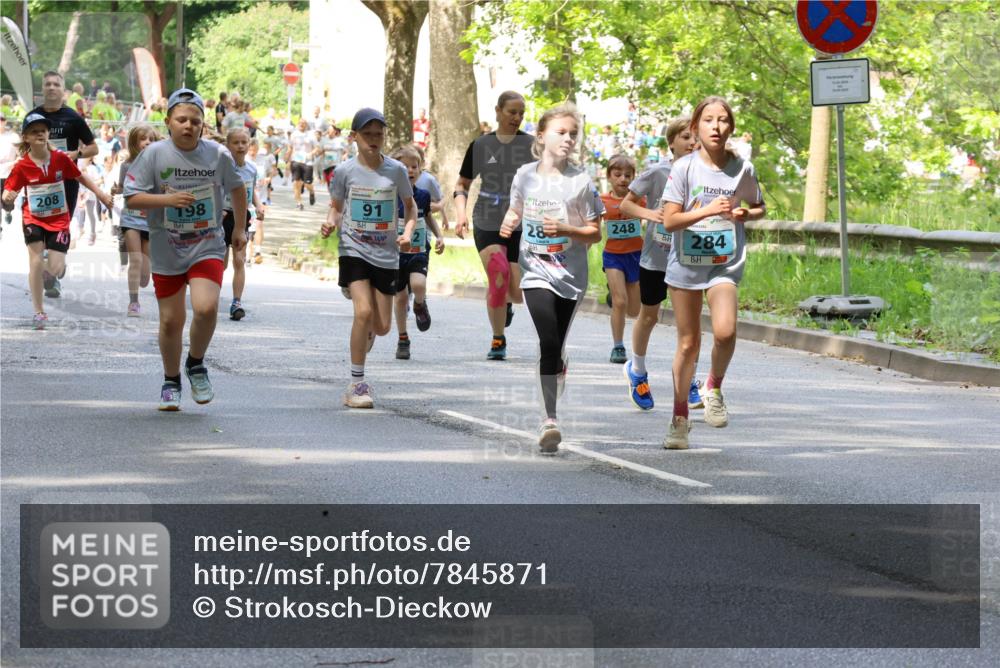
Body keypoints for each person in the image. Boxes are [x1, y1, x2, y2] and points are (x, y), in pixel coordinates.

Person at [123, 88, 248, 411]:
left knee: (206, 308)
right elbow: (132, 197)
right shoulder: (153, 155)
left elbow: (237, 188)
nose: (188, 126)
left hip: (206, 244)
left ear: (203, 125)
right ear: (168, 122)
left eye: (195, 121)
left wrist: (238, 228)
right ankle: (171, 380)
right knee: (170, 322)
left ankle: (195, 363)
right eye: (181, 120)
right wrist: (167, 200)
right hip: (167, 248)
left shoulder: (217, 155)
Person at [660, 96, 766, 449]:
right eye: (708, 120)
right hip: (687, 266)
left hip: (723, 263)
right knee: (689, 343)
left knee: (725, 332)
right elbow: (671, 220)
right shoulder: (684, 169)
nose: (716, 127)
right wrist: (705, 210)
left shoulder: (742, 168)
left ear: (731, 128)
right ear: (696, 128)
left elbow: (759, 207)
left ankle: (713, 386)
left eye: (723, 120)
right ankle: (679, 418)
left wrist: (745, 215)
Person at [499, 103, 603, 454]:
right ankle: (550, 419)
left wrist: (565, 228)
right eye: (561, 132)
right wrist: (510, 221)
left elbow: (594, 233)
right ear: (541, 136)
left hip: (570, 275)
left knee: (556, 345)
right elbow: (516, 206)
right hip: (535, 271)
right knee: (547, 339)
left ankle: (558, 367)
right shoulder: (525, 175)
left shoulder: (581, 181)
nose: (569, 139)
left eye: (573, 133)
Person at [320, 108, 416, 409]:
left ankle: (369, 331)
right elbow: (336, 207)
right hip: (354, 248)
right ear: (355, 137)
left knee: (384, 325)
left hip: (386, 254)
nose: (374, 140)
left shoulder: (397, 171)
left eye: (379, 134)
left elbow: (410, 208)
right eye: (367, 134)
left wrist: (408, 231)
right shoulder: (345, 171)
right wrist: (330, 222)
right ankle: (356, 384)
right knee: (362, 312)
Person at [619, 117, 701, 412]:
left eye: (696, 138)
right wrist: (651, 214)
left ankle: (689, 379)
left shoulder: (706, 174)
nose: (692, 142)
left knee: (688, 323)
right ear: (672, 142)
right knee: (649, 316)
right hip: (656, 257)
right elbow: (625, 204)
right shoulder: (657, 172)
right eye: (686, 137)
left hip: (691, 257)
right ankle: (637, 370)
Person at [2, 113, 112, 329]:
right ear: (26, 138)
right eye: (35, 131)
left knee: (55, 267)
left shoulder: (61, 158)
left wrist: (100, 194)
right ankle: (39, 312)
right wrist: (6, 198)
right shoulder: (21, 166)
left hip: (59, 220)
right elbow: (7, 195)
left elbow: (80, 176)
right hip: (32, 218)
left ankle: (51, 269)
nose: (40, 134)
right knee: (34, 261)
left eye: (43, 130)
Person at [454, 91, 534, 360]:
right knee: (498, 273)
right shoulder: (481, 145)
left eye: (522, 113)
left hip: (519, 220)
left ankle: (505, 303)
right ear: (498, 111)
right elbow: (462, 184)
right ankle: (498, 339)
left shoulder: (532, 146)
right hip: (487, 216)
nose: (517, 117)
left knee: (515, 288)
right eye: (512, 112)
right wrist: (461, 213)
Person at [389, 145, 445, 360]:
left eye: (415, 166)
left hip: (418, 248)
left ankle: (420, 303)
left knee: (418, 285)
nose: (410, 171)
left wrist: (439, 235)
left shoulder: (422, 195)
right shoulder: (389, 195)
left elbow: (428, 217)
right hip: (395, 254)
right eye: (405, 167)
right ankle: (403, 338)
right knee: (400, 297)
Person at [31, 71, 99, 223]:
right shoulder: (33, 116)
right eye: (47, 84)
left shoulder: (73, 117)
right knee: (37, 232)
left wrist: (77, 154)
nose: (52, 87)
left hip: (65, 183)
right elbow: (23, 149)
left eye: (56, 84)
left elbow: (94, 148)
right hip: (38, 183)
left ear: (63, 90)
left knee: (59, 234)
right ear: (42, 89)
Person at [600, 154, 643, 364]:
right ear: (609, 176)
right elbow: (589, 222)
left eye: (628, 175)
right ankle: (618, 346)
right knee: (620, 302)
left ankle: (616, 295)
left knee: (634, 310)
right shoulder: (602, 201)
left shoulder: (639, 199)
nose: (623, 179)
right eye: (617, 175)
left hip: (636, 256)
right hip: (613, 256)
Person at [114, 125, 158, 316]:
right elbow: (124, 188)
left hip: (150, 220)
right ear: (134, 143)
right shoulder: (126, 165)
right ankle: (134, 302)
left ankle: (140, 284)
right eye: (143, 139)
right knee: (136, 259)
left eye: (151, 139)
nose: (147, 142)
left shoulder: (159, 167)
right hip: (131, 218)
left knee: (145, 276)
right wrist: (117, 190)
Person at [221, 127, 264, 320]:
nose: (240, 146)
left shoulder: (252, 168)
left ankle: (236, 302)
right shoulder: (221, 167)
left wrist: (259, 205)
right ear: (227, 145)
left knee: (239, 260)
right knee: (220, 263)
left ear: (249, 145)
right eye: (235, 142)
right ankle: (209, 296)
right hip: (222, 216)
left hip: (241, 216)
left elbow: (251, 189)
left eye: (243, 142)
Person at [412, 144, 448, 231]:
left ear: (422, 163)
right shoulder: (400, 177)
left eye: (414, 165)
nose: (411, 169)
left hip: (424, 227)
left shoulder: (428, 179)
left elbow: (440, 198)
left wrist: (444, 216)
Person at [286, 118, 318, 210]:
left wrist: (310, 154)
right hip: (296, 161)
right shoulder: (294, 134)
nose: (301, 124)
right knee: (296, 183)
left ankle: (311, 192)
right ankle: (299, 203)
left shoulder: (311, 135)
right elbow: (290, 147)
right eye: (300, 123)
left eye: (304, 123)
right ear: (298, 124)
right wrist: (288, 160)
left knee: (307, 184)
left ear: (306, 125)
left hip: (307, 162)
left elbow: (317, 148)